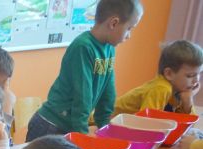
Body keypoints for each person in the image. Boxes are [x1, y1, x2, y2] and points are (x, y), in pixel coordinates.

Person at [26, 0, 144, 140]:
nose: (129, 36)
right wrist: (82, 134)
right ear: (114, 23)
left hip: (69, 126)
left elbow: (108, 91)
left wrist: (104, 126)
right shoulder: (83, 47)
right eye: (129, 28)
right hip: (50, 125)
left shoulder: (109, 49)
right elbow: (82, 94)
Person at [114, 39, 202, 115]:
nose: (196, 80)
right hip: (109, 120)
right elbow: (146, 121)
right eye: (190, 75)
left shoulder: (178, 91)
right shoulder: (161, 88)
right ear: (169, 74)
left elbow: (186, 123)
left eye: (199, 74)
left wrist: (188, 101)